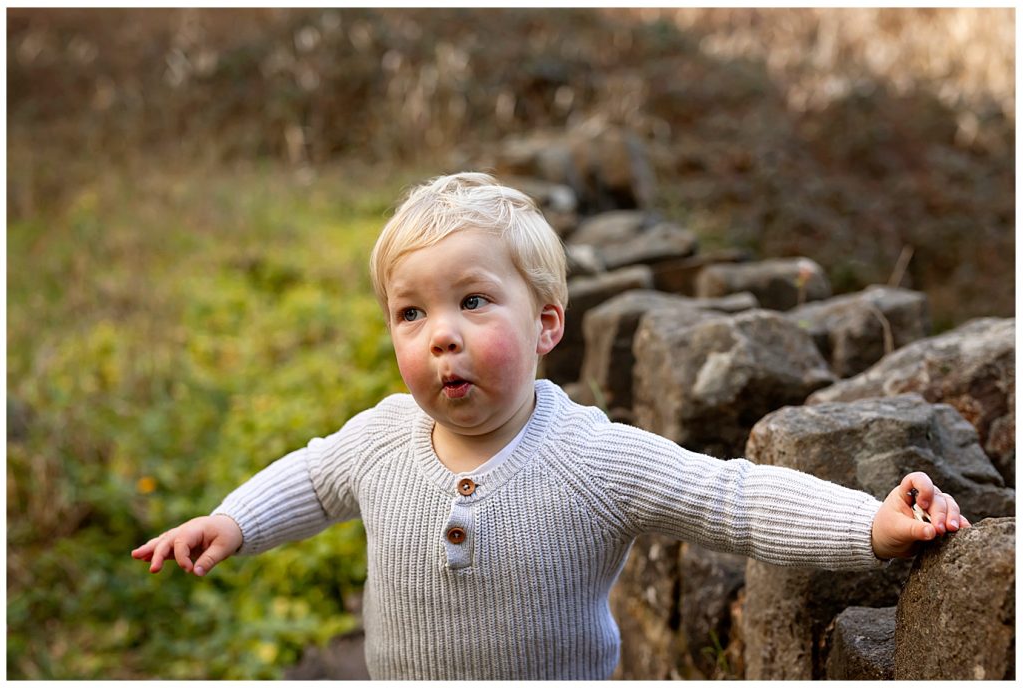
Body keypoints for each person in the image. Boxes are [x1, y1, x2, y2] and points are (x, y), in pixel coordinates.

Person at [132, 172, 968, 680]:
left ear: (548, 324)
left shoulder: (594, 460)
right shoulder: (381, 439)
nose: (440, 335)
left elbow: (733, 499)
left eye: (472, 301)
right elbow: (312, 479)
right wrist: (233, 519)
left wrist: (869, 523)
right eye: (410, 313)